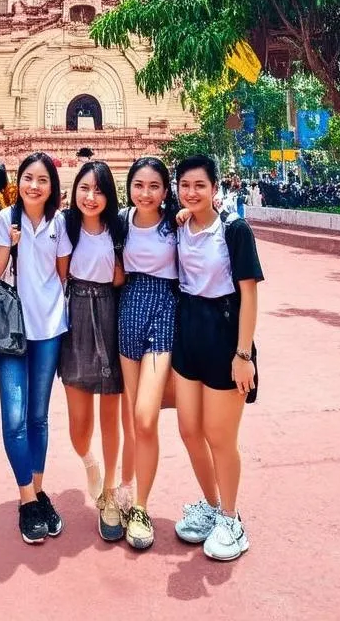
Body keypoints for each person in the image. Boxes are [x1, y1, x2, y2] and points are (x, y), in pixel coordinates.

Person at [172, 154, 263, 562]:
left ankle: (231, 519)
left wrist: (243, 354)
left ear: (214, 188)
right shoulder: (179, 226)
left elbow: (249, 294)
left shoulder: (234, 229)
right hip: (188, 330)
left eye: (199, 186)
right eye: (185, 185)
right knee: (190, 430)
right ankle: (211, 506)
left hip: (225, 334)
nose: (192, 193)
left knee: (220, 435)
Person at [0, 152, 72, 545]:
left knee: (39, 417)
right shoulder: (6, 219)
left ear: (52, 186)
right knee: (14, 418)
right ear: (17, 182)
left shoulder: (60, 223)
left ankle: (37, 492)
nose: (34, 186)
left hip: (50, 330)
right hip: (12, 332)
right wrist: (9, 243)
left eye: (42, 180)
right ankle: (26, 497)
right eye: (28, 178)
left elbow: (62, 274)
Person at [59, 160, 126, 543]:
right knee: (79, 425)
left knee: (111, 416)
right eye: (84, 188)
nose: (91, 196)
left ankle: (112, 493)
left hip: (111, 313)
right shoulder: (65, 227)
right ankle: (90, 463)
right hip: (77, 317)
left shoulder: (121, 227)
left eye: (99, 189)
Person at [116, 156, 180, 551]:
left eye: (154, 186)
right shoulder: (121, 220)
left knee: (145, 416)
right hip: (129, 308)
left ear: (165, 190)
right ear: (129, 187)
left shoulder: (175, 223)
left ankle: (141, 506)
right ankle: (125, 494)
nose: (146, 193)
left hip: (164, 309)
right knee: (130, 416)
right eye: (139, 185)